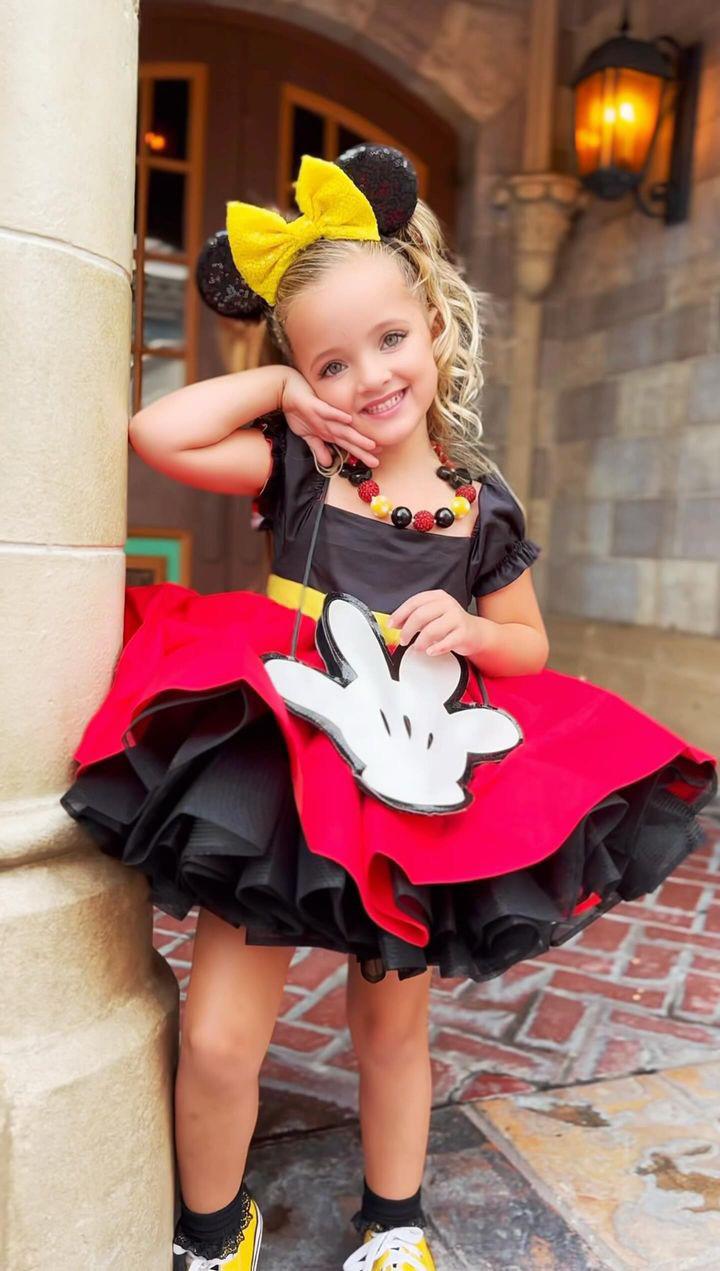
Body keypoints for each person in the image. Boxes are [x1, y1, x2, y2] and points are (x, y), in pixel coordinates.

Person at [60, 146, 718, 1271]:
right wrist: (280, 396)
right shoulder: (302, 461)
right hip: (281, 763)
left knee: (390, 1026)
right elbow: (157, 435)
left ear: (436, 327)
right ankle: (215, 1231)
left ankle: (394, 1219)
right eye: (331, 358)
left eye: (389, 338)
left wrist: (472, 629)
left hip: (412, 768)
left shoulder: (477, 505)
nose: (369, 375)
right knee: (218, 1036)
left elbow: (530, 644)